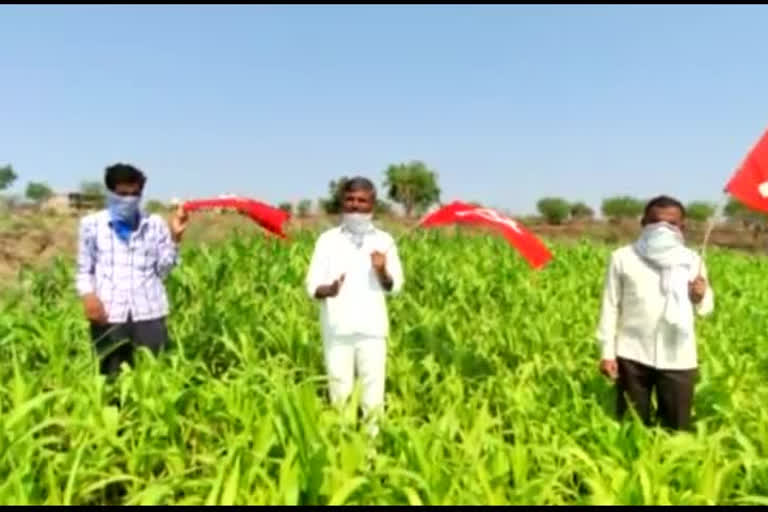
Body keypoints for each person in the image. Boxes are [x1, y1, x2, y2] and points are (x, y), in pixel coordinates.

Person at [596, 195, 714, 431]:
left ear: (682, 227)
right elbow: (610, 305)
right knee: (632, 426)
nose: (662, 228)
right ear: (643, 223)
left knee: (677, 428)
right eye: (655, 222)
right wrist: (606, 352)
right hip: (633, 354)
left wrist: (699, 297)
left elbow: (706, 308)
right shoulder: (623, 258)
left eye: (671, 224)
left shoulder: (692, 260)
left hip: (678, 355)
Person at [305, 177, 404, 435]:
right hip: (337, 331)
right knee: (340, 397)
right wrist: (329, 289)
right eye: (350, 200)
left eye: (362, 200)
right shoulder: (327, 240)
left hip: (372, 331)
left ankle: (372, 459)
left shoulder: (385, 240)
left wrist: (382, 271)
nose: (355, 205)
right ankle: (343, 453)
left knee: (373, 399)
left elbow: (395, 286)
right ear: (342, 202)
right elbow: (312, 285)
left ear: (372, 204)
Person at [75, 163, 189, 376]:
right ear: (110, 193)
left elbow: (163, 271)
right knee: (111, 379)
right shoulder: (92, 225)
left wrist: (175, 238)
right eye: (123, 194)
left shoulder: (154, 225)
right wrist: (88, 296)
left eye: (135, 194)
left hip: (149, 312)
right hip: (109, 314)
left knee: (156, 375)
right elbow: (84, 268)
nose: (129, 199)